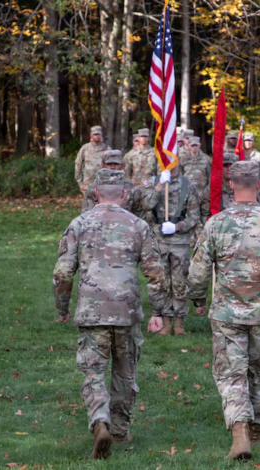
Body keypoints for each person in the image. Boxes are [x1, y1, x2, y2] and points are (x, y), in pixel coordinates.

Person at [186, 160, 260, 461]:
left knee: (231, 373)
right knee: (259, 371)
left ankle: (240, 430)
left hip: (227, 315)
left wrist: (198, 299)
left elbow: (198, 270)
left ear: (231, 186)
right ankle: (257, 433)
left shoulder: (216, 223)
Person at [53, 169, 168, 460]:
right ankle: (119, 429)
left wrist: (62, 306)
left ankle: (99, 419)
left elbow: (63, 271)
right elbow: (155, 272)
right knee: (125, 372)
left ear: (94, 194)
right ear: (125, 195)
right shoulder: (138, 225)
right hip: (126, 312)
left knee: (93, 372)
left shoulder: (79, 223)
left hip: (92, 312)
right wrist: (158, 311)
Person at [141, 165, 200, 336]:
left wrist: (177, 226)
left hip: (179, 241)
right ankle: (166, 321)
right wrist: (159, 186)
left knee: (179, 281)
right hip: (158, 239)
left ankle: (179, 322)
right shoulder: (152, 183)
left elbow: (194, 216)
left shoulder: (188, 185)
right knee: (163, 281)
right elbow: (146, 205)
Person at [82, 150, 143, 215]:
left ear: (122, 165)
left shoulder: (132, 188)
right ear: (103, 165)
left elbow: (139, 214)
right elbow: (86, 213)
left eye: (116, 164)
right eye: (109, 164)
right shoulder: (94, 188)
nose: (112, 167)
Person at [75, 126, 111, 210]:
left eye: (98, 134)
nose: (97, 136)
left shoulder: (106, 149)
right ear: (91, 135)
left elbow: (112, 167)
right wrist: (80, 183)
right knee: (87, 208)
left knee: (103, 208)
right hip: (88, 184)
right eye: (95, 134)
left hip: (103, 184)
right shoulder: (85, 149)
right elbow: (78, 165)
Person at [201, 153, 237, 218]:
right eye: (225, 165)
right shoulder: (212, 189)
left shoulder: (241, 188)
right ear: (220, 167)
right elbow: (204, 214)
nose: (229, 169)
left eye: (231, 165)